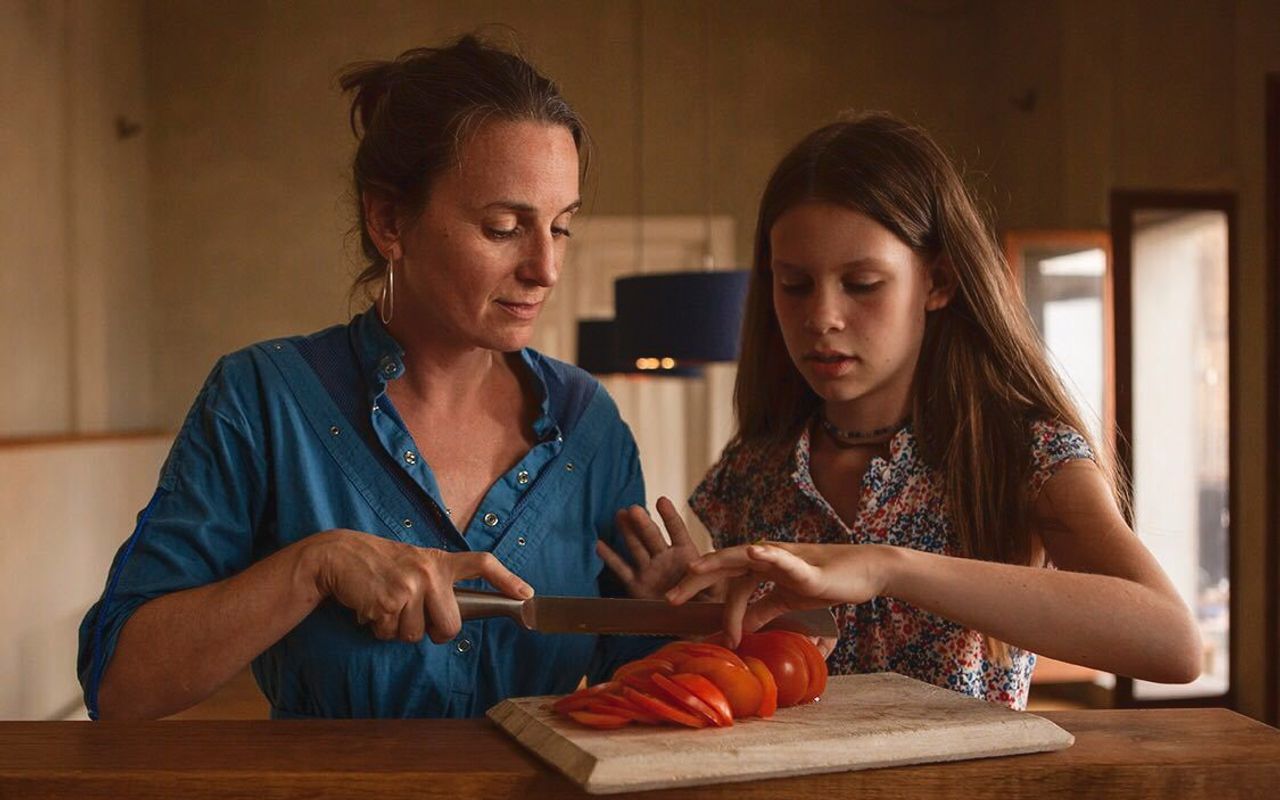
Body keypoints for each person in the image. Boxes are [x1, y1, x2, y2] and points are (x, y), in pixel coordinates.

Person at [77, 35, 658, 720]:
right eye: (504, 227)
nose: (545, 268)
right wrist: (312, 565)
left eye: (560, 228)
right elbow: (120, 683)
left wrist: (674, 616)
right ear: (389, 220)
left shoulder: (591, 429)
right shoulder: (263, 401)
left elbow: (640, 693)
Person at [602, 113, 1202, 710]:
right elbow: (755, 686)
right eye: (795, 284)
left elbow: (1172, 644)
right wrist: (687, 619)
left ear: (938, 281)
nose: (822, 318)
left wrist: (888, 567)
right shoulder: (754, 466)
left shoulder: (1020, 452)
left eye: (861, 284)